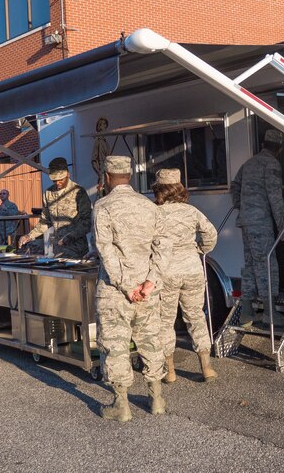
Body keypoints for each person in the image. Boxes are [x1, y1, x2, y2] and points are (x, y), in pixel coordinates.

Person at [94, 156, 171, 422]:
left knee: (115, 344)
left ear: (106, 177)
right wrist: (150, 283)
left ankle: (121, 405)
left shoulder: (103, 206)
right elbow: (163, 248)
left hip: (116, 291)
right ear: (129, 175)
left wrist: (127, 286)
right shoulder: (150, 206)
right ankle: (157, 398)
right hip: (147, 291)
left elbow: (105, 251)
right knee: (150, 339)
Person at [152, 168, 219, 383]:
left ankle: (170, 371)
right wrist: (200, 249)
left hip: (166, 271)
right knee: (196, 316)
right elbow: (211, 234)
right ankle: (206, 367)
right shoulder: (192, 211)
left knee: (166, 321)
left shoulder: (155, 213)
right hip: (192, 269)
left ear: (159, 189)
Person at [230, 129, 284, 328]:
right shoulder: (272, 164)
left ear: (264, 144)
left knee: (251, 264)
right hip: (261, 222)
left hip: (246, 221)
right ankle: (271, 313)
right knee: (267, 264)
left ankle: (247, 311)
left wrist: (241, 206)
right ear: (279, 148)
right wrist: (283, 225)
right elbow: (275, 197)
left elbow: (235, 185)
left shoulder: (249, 163)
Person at [18, 158, 92, 258]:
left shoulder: (78, 192)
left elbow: (87, 222)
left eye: (60, 179)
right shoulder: (48, 194)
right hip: (59, 251)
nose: (57, 183)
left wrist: (71, 236)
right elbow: (45, 221)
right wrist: (30, 236)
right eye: (54, 180)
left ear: (68, 175)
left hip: (77, 251)